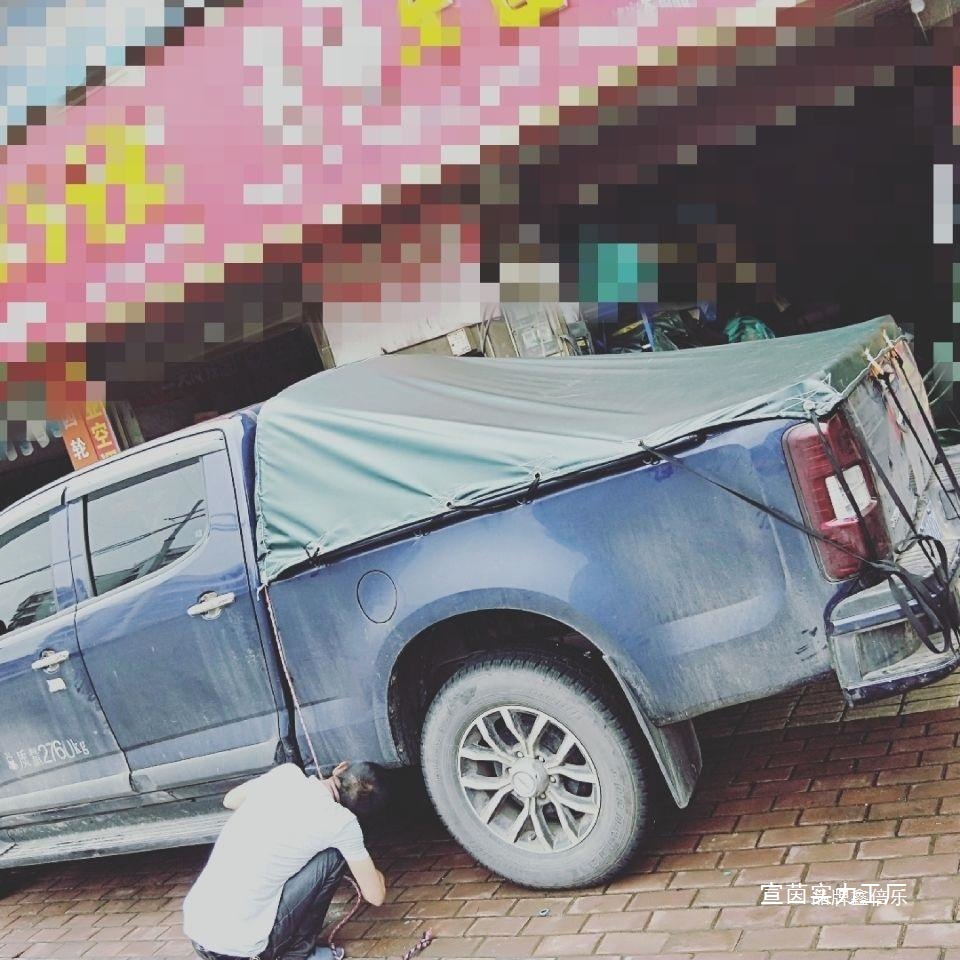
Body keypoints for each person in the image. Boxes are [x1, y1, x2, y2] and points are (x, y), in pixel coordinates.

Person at [183, 761, 389, 960]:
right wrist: (372, 872)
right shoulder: (342, 824)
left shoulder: (286, 775)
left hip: (197, 930)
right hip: (242, 952)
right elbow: (375, 896)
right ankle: (297, 953)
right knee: (334, 856)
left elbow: (230, 800)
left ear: (341, 767)